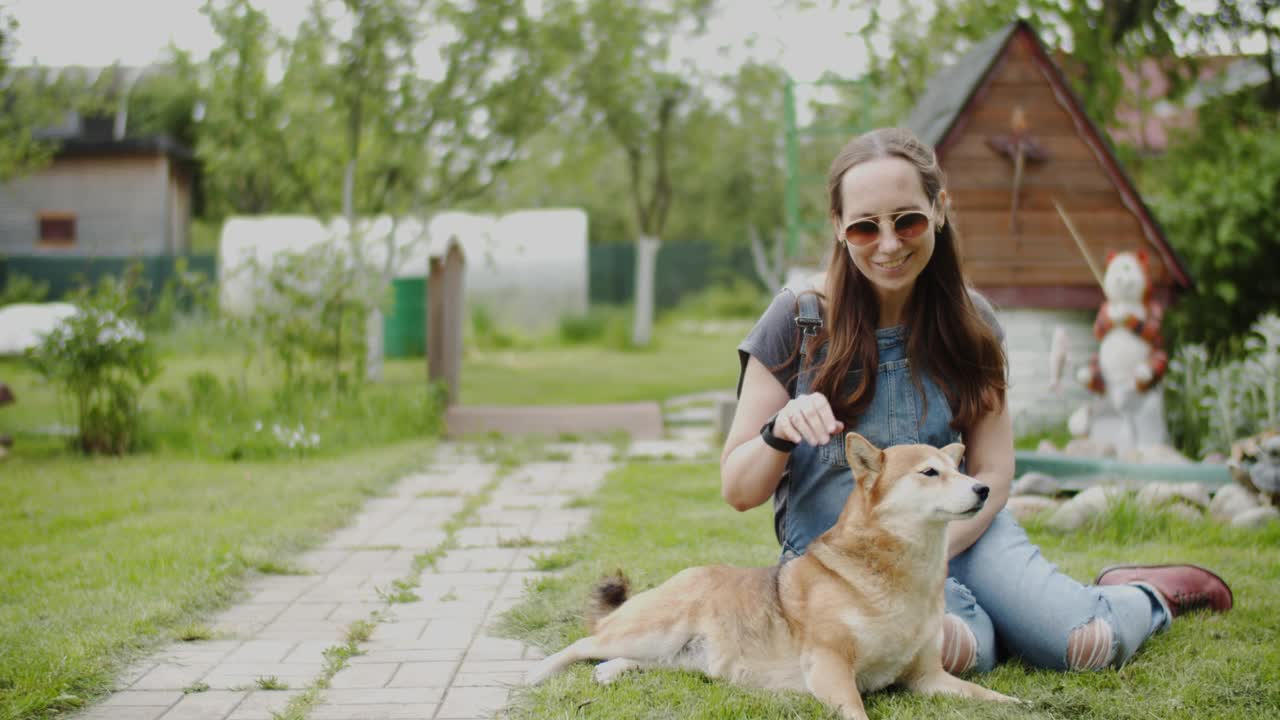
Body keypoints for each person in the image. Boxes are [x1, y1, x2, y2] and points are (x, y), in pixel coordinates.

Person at [720, 127, 1232, 674]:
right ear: (839, 229)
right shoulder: (796, 322)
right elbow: (738, 489)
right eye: (866, 227)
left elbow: (994, 468)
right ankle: (1006, 620)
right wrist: (779, 429)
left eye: (907, 220)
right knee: (958, 650)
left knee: (1084, 645)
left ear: (939, 210)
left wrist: (933, 555)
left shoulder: (973, 323)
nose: (889, 244)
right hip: (847, 565)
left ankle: (1144, 597)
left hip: (964, 531)